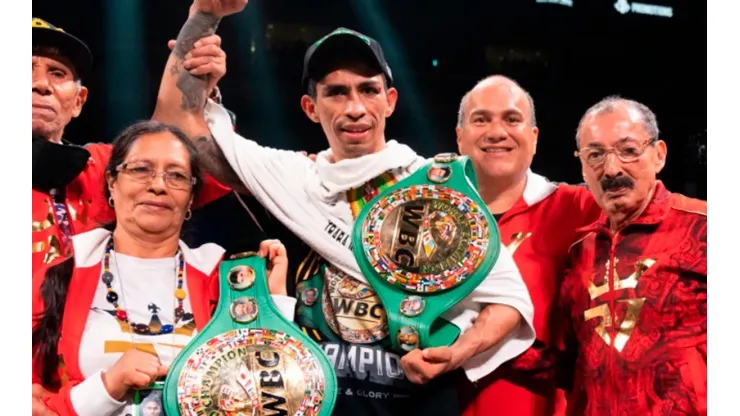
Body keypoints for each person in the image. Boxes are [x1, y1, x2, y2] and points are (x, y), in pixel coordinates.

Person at [153, 1, 536, 414]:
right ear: (311, 108)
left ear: (389, 100)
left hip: (421, 402)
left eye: (368, 90)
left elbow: (509, 301)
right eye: (336, 92)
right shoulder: (294, 178)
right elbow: (178, 132)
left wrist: (458, 352)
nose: (355, 108)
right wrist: (203, 17)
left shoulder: (434, 186)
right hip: (319, 400)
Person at [31, 120, 296, 416]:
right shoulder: (57, 278)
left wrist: (274, 308)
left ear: (191, 198)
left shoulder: (227, 282)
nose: (157, 185)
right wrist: (106, 388)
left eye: (177, 176)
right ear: (111, 183)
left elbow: (277, 401)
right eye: (141, 170)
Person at [31, 17, 230, 275]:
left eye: (57, 73)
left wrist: (201, 95)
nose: (41, 84)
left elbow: (196, 164)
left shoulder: (101, 168)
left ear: (79, 101)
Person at [456, 76, 601, 416]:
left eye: (511, 119)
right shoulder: (426, 210)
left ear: (533, 138)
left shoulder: (578, 207)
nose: (496, 131)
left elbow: (661, 211)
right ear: (460, 136)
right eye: (481, 119)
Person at [557, 96, 706, 415]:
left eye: (628, 150)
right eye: (595, 155)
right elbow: (569, 366)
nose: (611, 169)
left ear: (659, 155)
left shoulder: (708, 228)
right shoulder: (578, 253)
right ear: (581, 165)